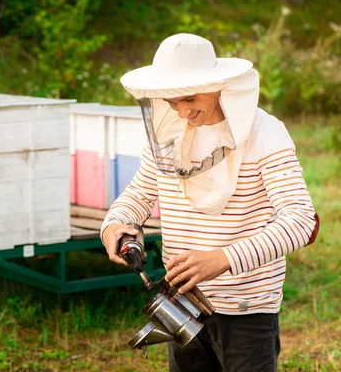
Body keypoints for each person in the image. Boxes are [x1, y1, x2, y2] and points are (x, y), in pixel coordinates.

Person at [100, 33, 319, 372]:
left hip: (246, 310)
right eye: (172, 102)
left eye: (189, 97)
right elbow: (139, 195)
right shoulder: (168, 135)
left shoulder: (265, 132)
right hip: (182, 303)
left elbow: (301, 220)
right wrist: (115, 224)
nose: (182, 110)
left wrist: (223, 259)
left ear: (218, 84)